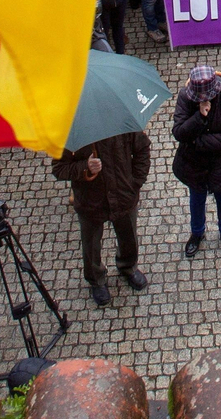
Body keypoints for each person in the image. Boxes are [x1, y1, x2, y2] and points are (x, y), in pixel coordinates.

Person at [52, 127, 151, 307]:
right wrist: (85, 168)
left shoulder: (122, 121)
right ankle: (96, 279)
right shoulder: (71, 129)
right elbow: (59, 168)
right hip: (90, 201)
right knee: (91, 244)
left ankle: (128, 266)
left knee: (129, 235)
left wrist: (136, 182)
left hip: (123, 194)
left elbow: (142, 149)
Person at [172, 66, 221, 258]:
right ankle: (197, 233)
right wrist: (199, 117)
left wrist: (197, 141)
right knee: (196, 197)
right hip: (194, 162)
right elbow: (179, 132)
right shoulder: (185, 97)